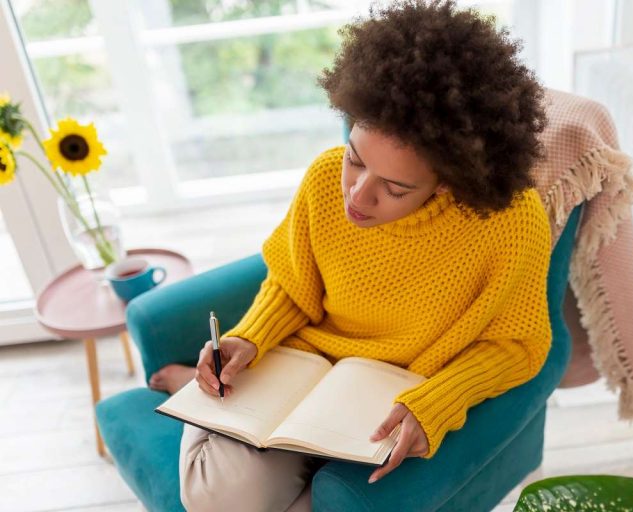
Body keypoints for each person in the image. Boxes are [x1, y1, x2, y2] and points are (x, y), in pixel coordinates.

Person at [148, 1, 552, 510]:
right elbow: (292, 285)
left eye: (395, 188)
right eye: (355, 161)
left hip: (393, 390)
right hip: (300, 366)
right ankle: (199, 392)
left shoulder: (510, 223)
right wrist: (248, 338)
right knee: (215, 496)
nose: (357, 197)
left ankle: (198, 402)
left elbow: (518, 345)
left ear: (447, 179)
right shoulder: (322, 179)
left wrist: (439, 403)